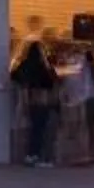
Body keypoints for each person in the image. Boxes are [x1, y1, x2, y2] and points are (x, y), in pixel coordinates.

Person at [13, 38, 61, 167]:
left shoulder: (24, 65)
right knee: (41, 129)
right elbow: (52, 81)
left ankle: (31, 155)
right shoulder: (43, 67)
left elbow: (15, 76)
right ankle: (37, 155)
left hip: (30, 101)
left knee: (35, 129)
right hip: (43, 101)